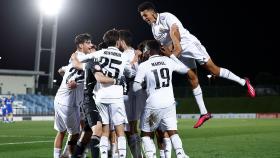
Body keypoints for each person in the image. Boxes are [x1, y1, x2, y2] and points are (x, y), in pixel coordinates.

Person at [137, 1, 256, 128]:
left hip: (189, 45)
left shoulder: (167, 17)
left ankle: (244, 82)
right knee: (192, 78)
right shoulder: (153, 27)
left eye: (145, 15)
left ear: (152, 11)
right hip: (177, 51)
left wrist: (174, 52)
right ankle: (204, 113)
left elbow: (175, 32)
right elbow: (163, 45)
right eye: (142, 17)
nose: (144, 18)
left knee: (214, 70)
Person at [133, 40, 190, 158]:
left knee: (145, 134)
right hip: (169, 103)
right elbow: (185, 69)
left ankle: (151, 156)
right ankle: (180, 154)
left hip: (153, 105)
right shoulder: (168, 61)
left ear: (148, 51)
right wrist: (171, 55)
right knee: (172, 131)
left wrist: (144, 88)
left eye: (145, 51)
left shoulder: (144, 65)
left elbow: (135, 87)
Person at [53, 33, 95, 158]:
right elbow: (78, 69)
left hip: (60, 99)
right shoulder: (85, 58)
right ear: (81, 45)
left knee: (61, 132)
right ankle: (73, 156)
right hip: (69, 104)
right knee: (75, 134)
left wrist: (68, 80)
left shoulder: (75, 57)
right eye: (88, 43)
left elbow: (61, 70)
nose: (91, 45)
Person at [118, 29, 144, 158]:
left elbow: (133, 73)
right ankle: (139, 155)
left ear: (122, 42)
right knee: (131, 128)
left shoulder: (124, 55)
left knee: (125, 129)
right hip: (137, 93)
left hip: (128, 93)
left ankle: (137, 156)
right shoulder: (135, 53)